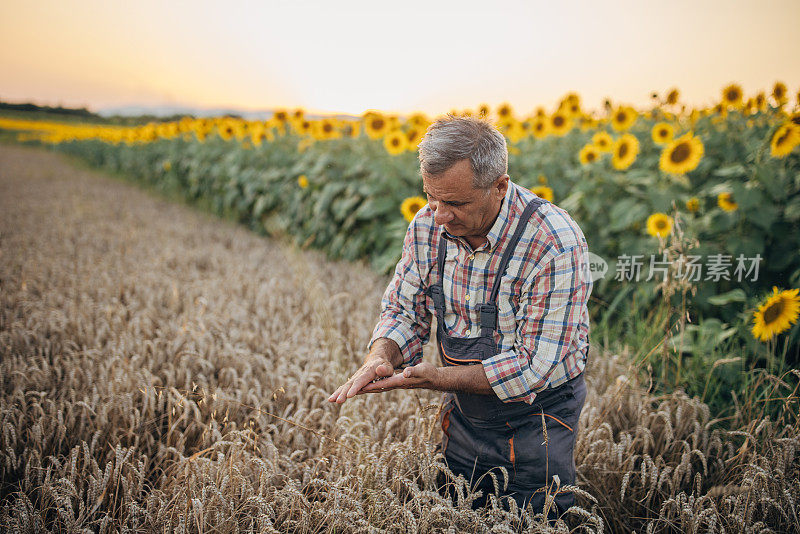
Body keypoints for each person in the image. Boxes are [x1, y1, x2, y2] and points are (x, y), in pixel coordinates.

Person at [328, 115, 592, 518]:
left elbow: (533, 366)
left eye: (456, 203)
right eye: (432, 198)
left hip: (539, 416)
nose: (439, 215)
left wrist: (435, 378)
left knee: (536, 517)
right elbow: (404, 310)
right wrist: (381, 356)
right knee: (458, 510)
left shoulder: (553, 242)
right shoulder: (426, 226)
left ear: (499, 186)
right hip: (466, 411)